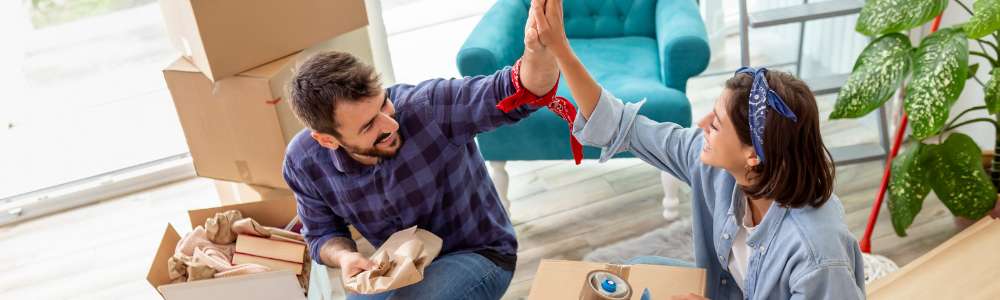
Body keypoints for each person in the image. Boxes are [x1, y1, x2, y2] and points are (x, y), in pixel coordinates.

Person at [529, 0, 866, 298]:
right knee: (633, 272)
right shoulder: (720, 169)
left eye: (717, 123)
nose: (703, 124)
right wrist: (560, 48)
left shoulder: (817, 256)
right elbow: (621, 126)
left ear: (753, 155)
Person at [281, 2, 561, 298]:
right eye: (368, 126)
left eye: (383, 103)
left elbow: (520, 92)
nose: (390, 124)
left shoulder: (428, 108)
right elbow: (322, 234)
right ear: (327, 140)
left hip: (478, 253)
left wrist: (538, 50)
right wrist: (345, 257)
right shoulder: (303, 162)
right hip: (396, 266)